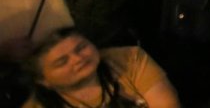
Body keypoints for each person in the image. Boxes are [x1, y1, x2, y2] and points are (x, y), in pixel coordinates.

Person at [21, 29, 179, 108]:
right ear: (43, 80)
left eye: (81, 48)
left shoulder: (129, 59)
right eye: (62, 62)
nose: (78, 59)